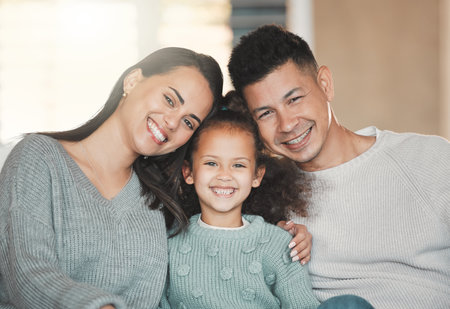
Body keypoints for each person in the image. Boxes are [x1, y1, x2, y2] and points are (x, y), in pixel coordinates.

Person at [0, 46, 310, 309]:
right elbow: (26, 275)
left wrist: (286, 240)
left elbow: (216, 251)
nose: (173, 122)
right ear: (133, 80)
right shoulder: (39, 158)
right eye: (170, 99)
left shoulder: (160, 200)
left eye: (189, 121)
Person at [227, 25, 450, 309]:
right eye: (266, 113)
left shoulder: (428, 159)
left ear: (325, 84)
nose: (287, 125)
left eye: (294, 99)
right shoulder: (261, 197)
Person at [159, 91, 373, 309]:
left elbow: (302, 305)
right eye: (212, 163)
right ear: (188, 172)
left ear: (256, 176)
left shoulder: (277, 243)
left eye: (238, 165)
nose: (225, 175)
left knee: (348, 305)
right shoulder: (169, 242)